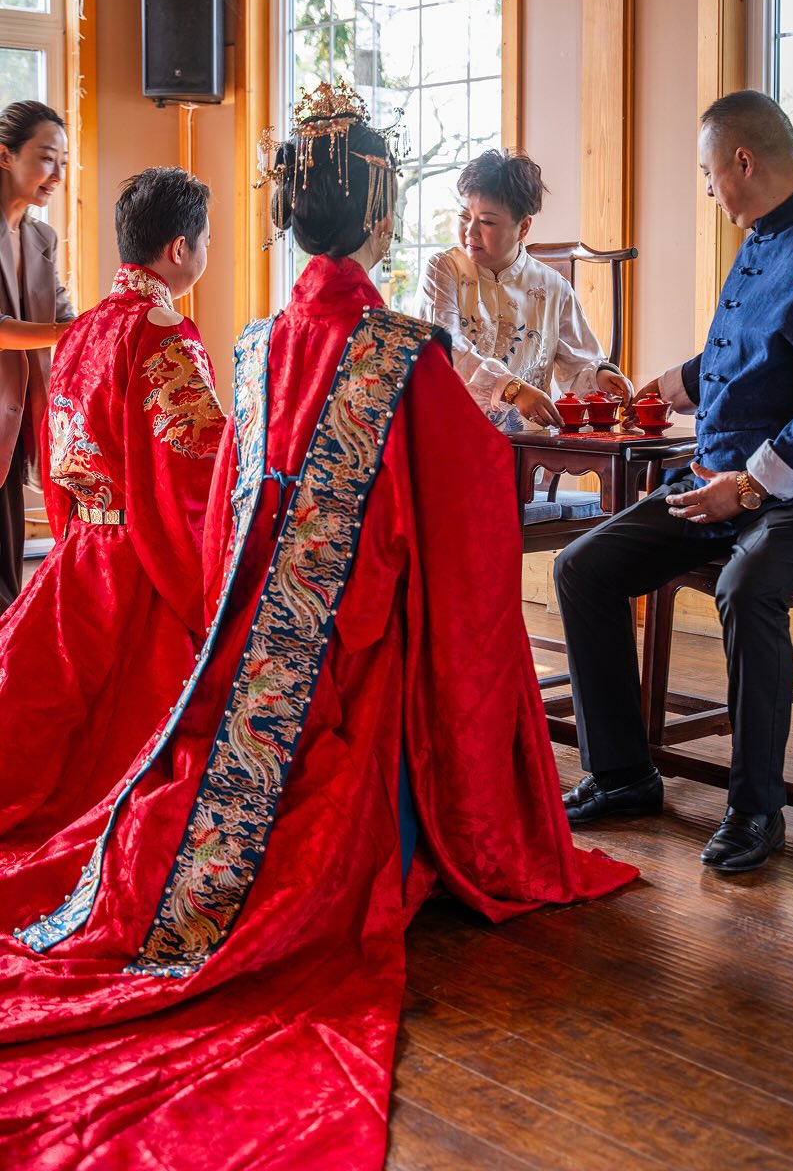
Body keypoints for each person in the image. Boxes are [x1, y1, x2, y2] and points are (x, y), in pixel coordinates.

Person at [0, 83, 636, 1171]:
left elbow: (221, 502)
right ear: (379, 216)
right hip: (353, 639)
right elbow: (468, 498)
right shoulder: (398, 348)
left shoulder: (254, 342)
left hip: (255, 631)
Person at [557, 90, 793, 873]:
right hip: (710, 480)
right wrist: (664, 385)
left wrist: (747, 488)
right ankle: (621, 776)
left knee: (746, 588)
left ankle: (755, 810)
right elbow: (746, 354)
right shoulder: (759, 239)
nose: (707, 189)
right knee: (582, 567)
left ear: (742, 162)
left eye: (705, 173)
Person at [0, 165, 224, 857]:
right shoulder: (165, 330)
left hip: (77, 555)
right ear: (180, 248)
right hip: (135, 562)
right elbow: (195, 465)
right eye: (207, 239)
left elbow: (56, 442)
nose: (207, 250)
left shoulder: (83, 329)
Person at [416, 148, 632, 430]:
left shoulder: (553, 287)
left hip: (529, 443)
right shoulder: (444, 269)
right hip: (452, 435)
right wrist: (511, 388)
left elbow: (579, 365)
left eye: (487, 221)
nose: (470, 231)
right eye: (464, 216)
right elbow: (446, 348)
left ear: (523, 227)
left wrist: (602, 379)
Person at [0, 100, 75, 614]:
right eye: (47, 158)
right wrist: (65, 331)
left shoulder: (42, 237)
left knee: (9, 575)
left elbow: (65, 313)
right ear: (5, 155)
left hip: (22, 419)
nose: (58, 175)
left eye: (63, 163)